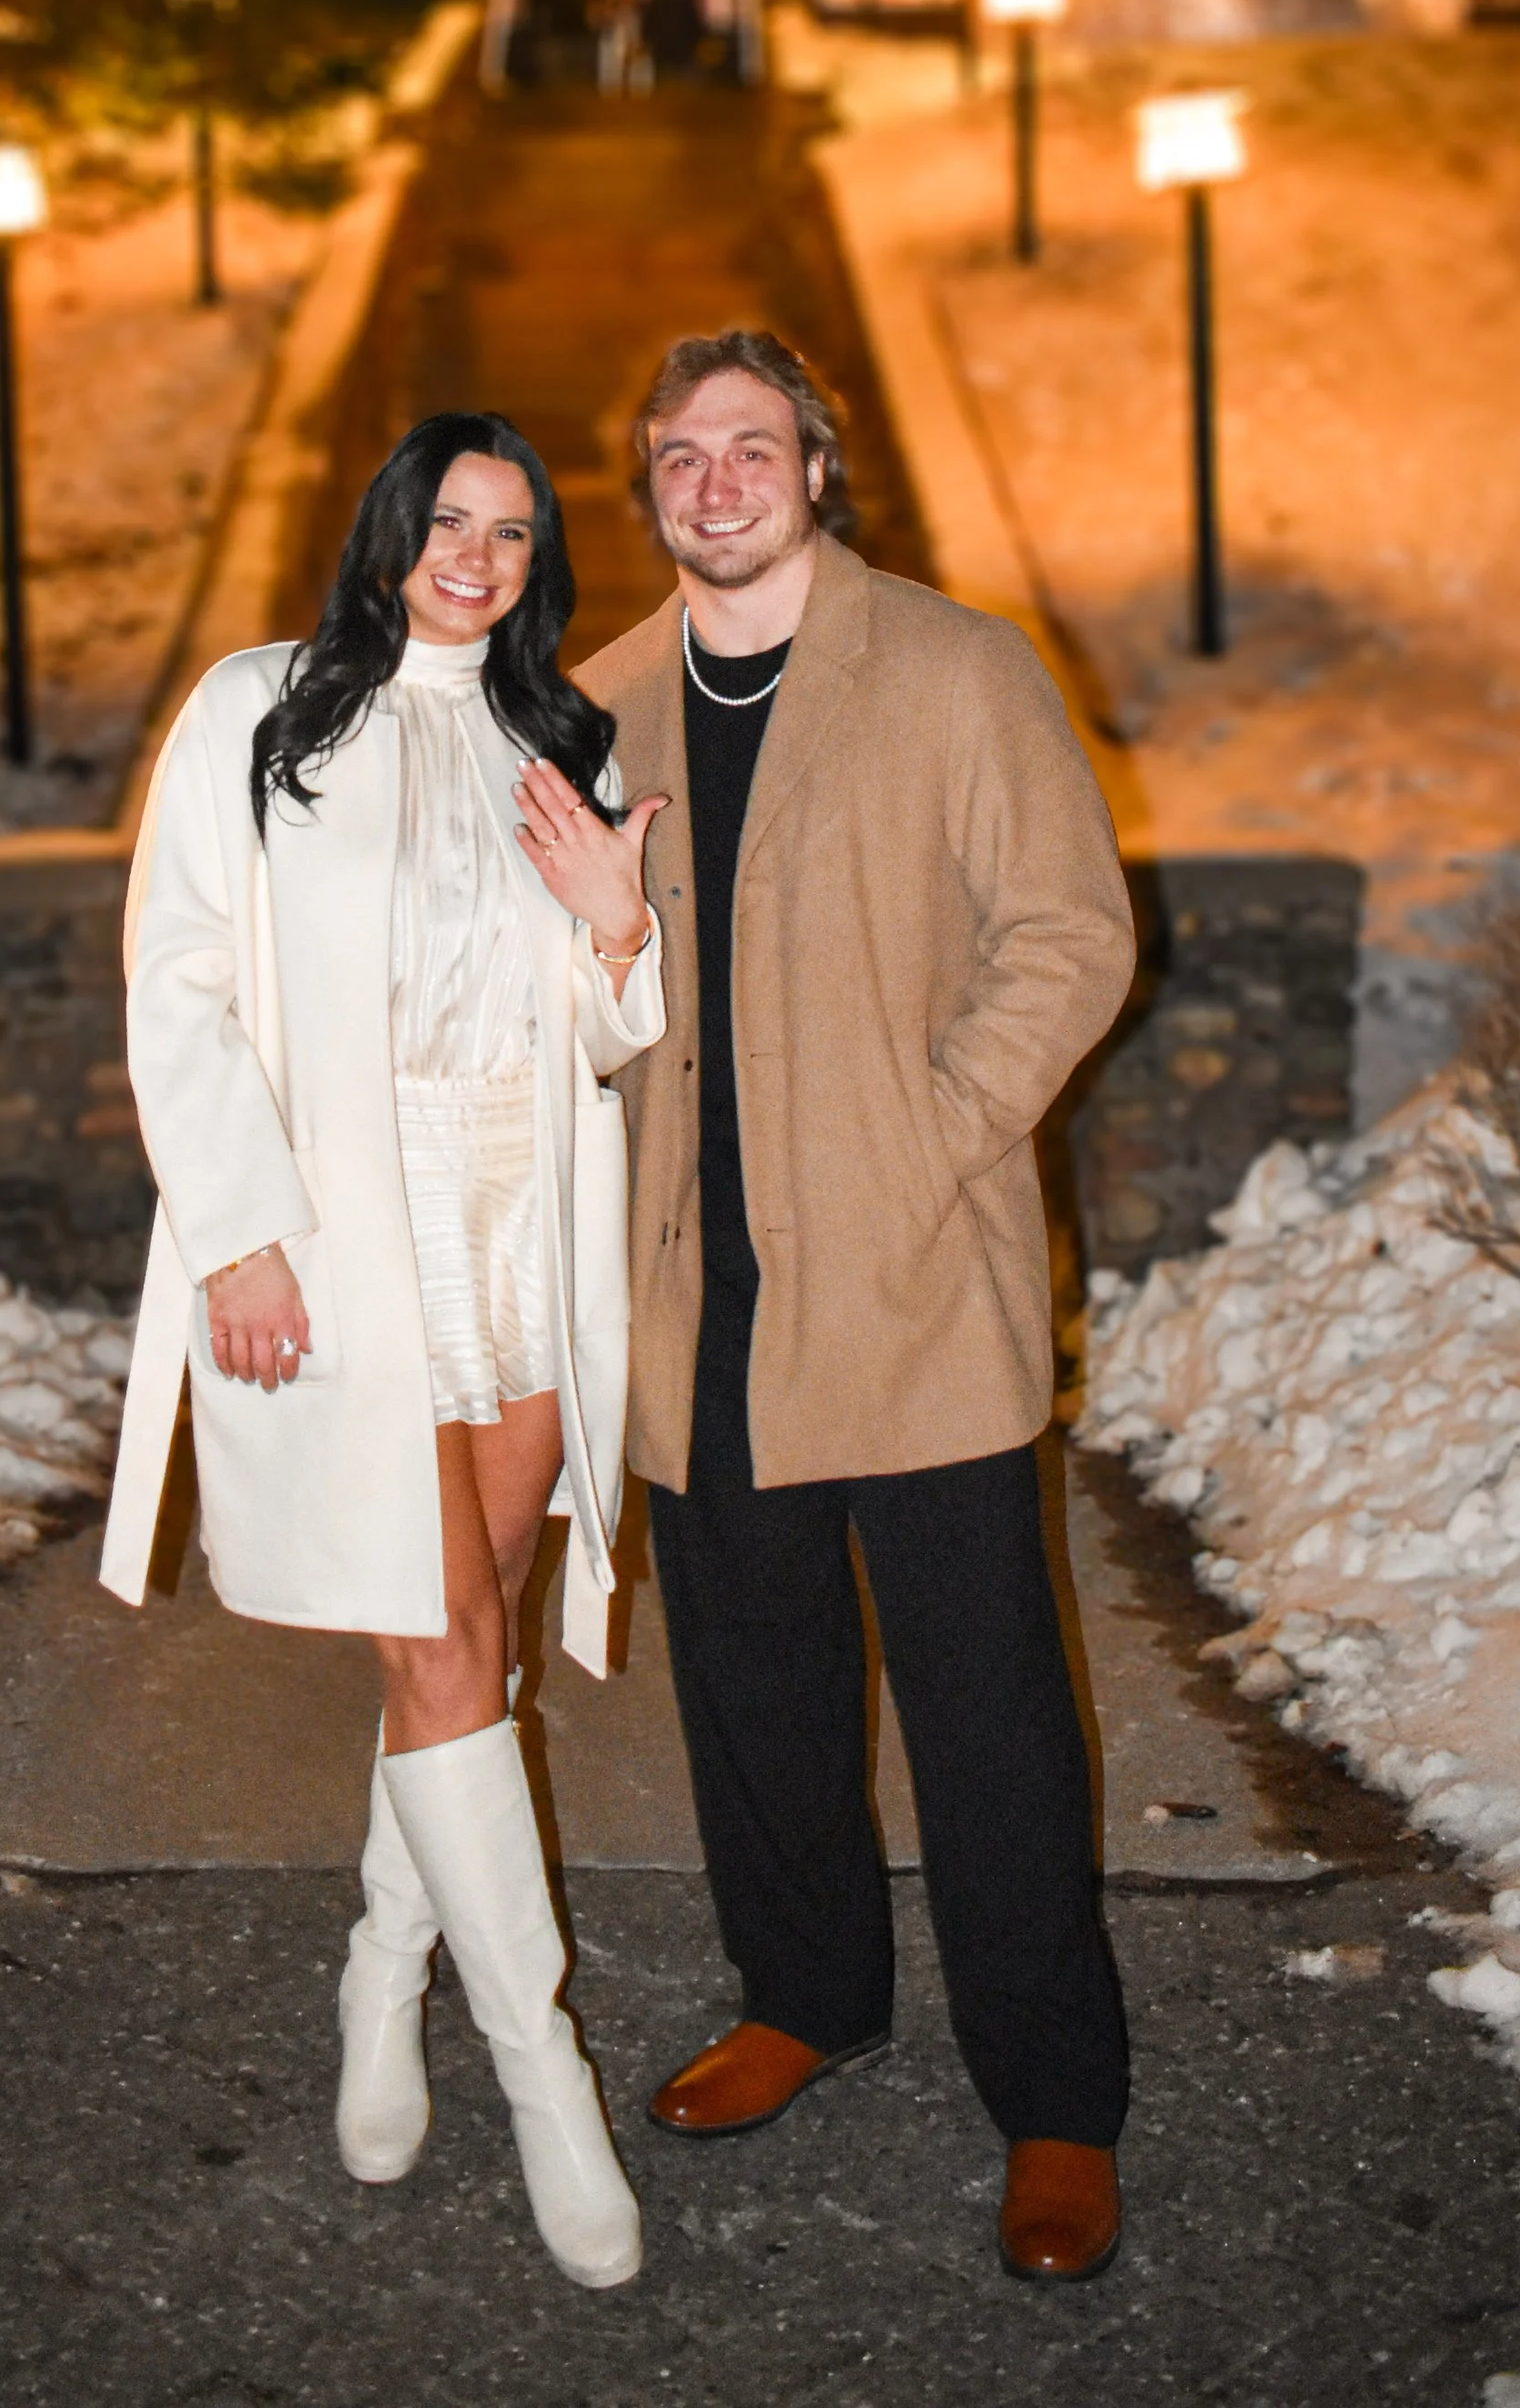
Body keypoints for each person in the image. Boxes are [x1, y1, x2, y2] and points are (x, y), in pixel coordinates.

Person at [574, 329, 1138, 2284]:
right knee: (754, 1689)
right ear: (649, 487)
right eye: (680, 454)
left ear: (817, 466)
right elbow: (561, 1001)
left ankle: (1055, 2098)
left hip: (907, 1283)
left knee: (989, 1713)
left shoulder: (955, 670)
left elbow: (1070, 933)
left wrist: (931, 1132)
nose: (715, 481)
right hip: (695, 1291)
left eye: (751, 446)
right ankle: (805, 1994)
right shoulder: (597, 707)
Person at [101, 412, 669, 2290]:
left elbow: (602, 1034)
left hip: (519, 1223)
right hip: (351, 1229)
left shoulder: (556, 740)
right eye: (448, 519)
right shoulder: (259, 713)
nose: (475, 556)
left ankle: (382, 1964)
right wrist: (240, 1231)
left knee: (470, 1646)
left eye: (510, 531)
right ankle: (545, 2077)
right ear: (387, 530)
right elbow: (177, 975)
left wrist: (619, 930)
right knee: (435, 1637)